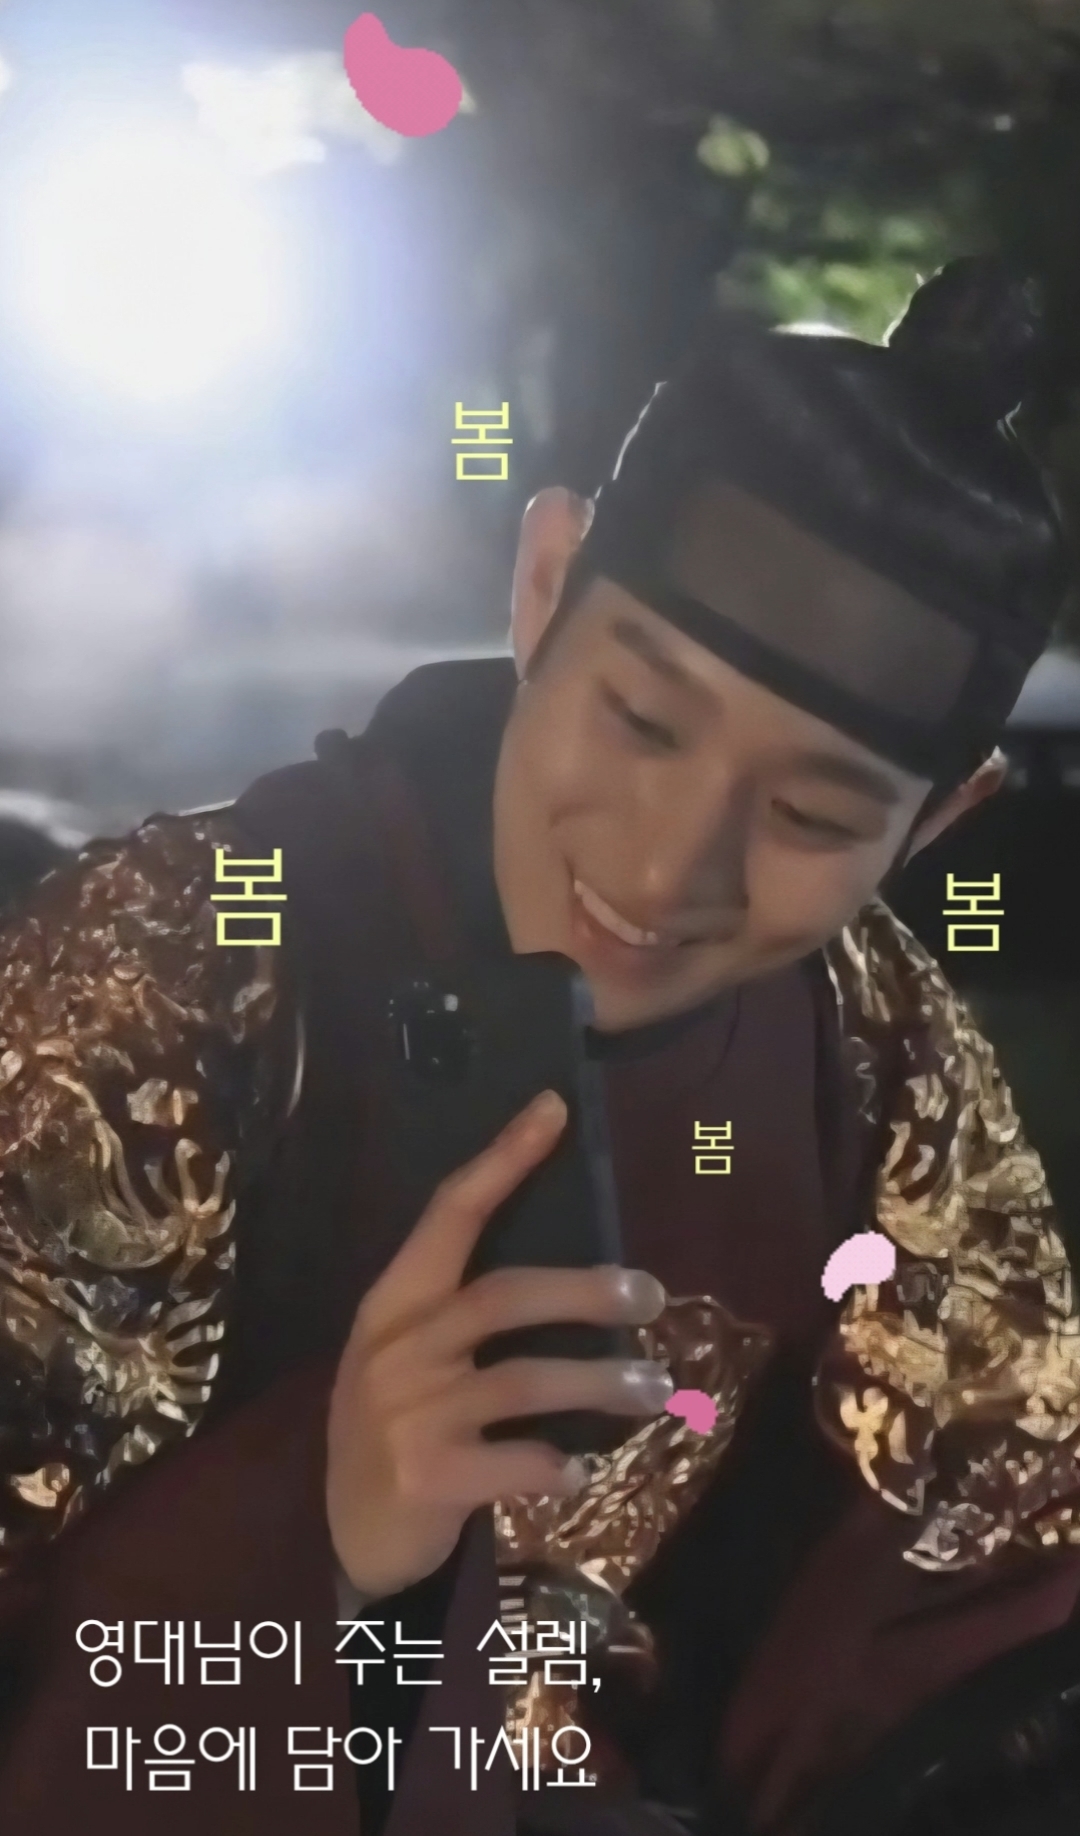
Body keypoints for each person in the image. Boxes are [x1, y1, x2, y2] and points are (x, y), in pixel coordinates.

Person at [1, 255, 1079, 1836]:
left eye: (807, 815)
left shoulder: (882, 1057)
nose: (666, 864)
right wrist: (317, 1530)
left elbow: (979, 1592)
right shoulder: (170, 969)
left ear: (940, 822)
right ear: (545, 582)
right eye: (641, 721)